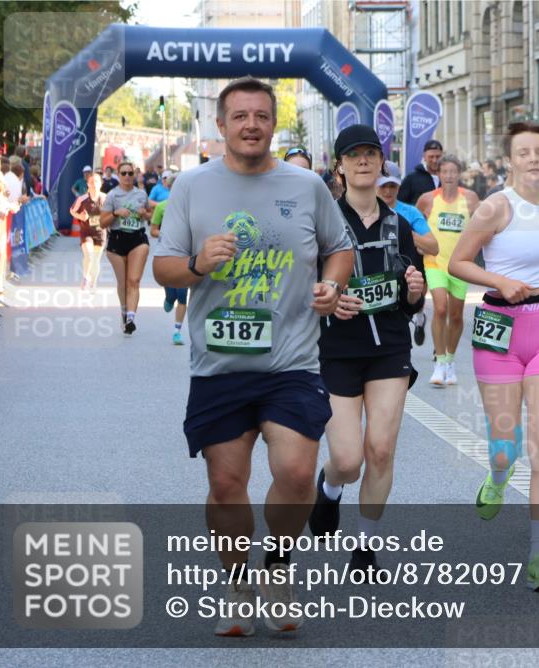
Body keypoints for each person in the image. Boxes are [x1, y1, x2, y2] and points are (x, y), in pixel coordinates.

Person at [152, 76, 354, 637]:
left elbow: (339, 249)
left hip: (292, 361)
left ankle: (278, 567)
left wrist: (332, 287)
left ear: (272, 124)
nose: (250, 125)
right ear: (221, 125)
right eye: (239, 116)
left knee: (293, 472)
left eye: (261, 116)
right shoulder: (192, 186)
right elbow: (162, 267)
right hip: (218, 364)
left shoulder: (307, 184)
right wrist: (197, 264)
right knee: (226, 483)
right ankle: (239, 581)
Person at [448, 121, 539, 593]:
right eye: (523, 152)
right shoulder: (494, 207)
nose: (533, 158)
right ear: (510, 160)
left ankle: (538, 558)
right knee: (506, 444)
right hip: (499, 329)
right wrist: (499, 281)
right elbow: (458, 263)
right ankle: (498, 474)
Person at [309, 124, 426, 576]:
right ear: (339, 166)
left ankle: (365, 545)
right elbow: (304, 285)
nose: (363, 161)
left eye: (370, 154)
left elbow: (415, 292)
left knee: (380, 449)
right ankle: (331, 488)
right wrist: (330, 299)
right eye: (353, 155)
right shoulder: (325, 221)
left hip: (389, 348)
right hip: (336, 348)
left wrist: (415, 290)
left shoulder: (400, 221)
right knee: (348, 459)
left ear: (381, 164)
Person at [416, 154, 481, 386]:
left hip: (461, 266)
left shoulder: (471, 199)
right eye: (445, 172)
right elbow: (414, 223)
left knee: (455, 315)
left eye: (454, 171)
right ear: (439, 174)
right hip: (435, 263)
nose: (450, 176)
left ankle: (451, 360)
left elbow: (484, 226)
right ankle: (440, 361)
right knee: (440, 308)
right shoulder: (427, 199)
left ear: (459, 174)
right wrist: (420, 244)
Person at [376, 160, 439, 346]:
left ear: (399, 186)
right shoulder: (365, 211)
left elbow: (433, 246)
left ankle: (418, 317)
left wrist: (403, 231)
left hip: (405, 276)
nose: (388, 191)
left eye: (392, 186)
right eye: (383, 186)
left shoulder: (410, 212)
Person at [99, 161, 151, 335]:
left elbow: (150, 216)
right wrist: (115, 213)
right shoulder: (112, 196)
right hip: (117, 239)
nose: (127, 177)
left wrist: (146, 215)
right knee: (122, 283)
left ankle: (130, 318)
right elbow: (102, 222)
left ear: (134, 175)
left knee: (133, 281)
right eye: (124, 173)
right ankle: (123, 311)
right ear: (118, 175)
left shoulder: (141, 194)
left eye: (130, 173)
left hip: (138, 238)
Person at [148, 172, 186, 345]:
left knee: (183, 296)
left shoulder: (190, 206)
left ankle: (177, 331)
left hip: (185, 254)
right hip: (167, 253)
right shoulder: (162, 207)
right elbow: (153, 230)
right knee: (172, 293)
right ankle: (169, 298)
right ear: (169, 187)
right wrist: (166, 233)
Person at [69, 172, 106, 291]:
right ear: (88, 185)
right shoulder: (82, 199)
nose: (94, 184)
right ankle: (85, 277)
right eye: (91, 182)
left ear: (101, 184)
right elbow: (72, 211)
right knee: (89, 255)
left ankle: (93, 282)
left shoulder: (106, 198)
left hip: (100, 232)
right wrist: (81, 217)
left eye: (96, 181)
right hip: (87, 232)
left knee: (96, 259)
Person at [398, 139, 443, 204]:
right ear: (424, 156)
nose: (434, 160)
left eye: (438, 157)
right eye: (431, 157)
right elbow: (400, 203)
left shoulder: (448, 178)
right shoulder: (411, 179)